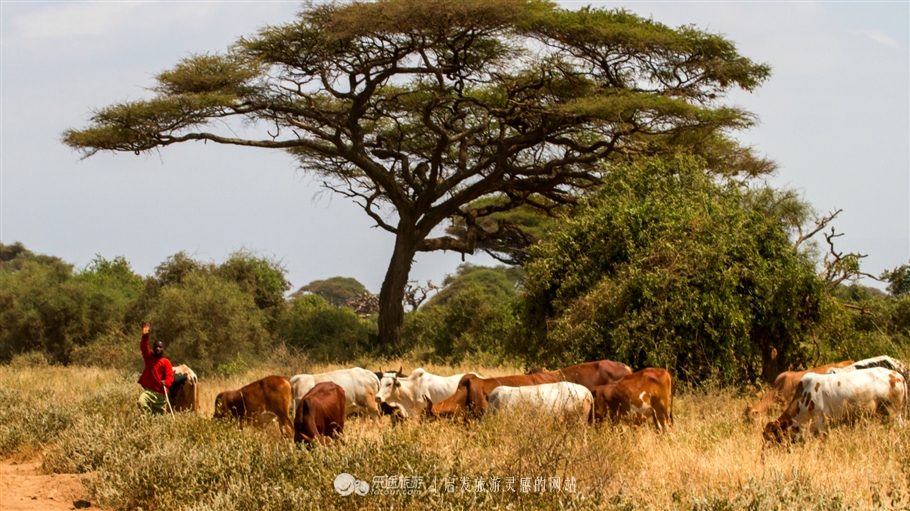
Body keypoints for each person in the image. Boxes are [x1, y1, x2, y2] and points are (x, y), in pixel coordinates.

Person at [137, 323, 174, 415]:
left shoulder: (166, 362)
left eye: (160, 347)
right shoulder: (149, 358)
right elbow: (144, 348)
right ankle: (145, 421)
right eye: (156, 347)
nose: (157, 348)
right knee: (141, 402)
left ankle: (154, 423)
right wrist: (145, 336)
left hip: (160, 394)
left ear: (163, 349)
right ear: (153, 348)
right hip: (149, 391)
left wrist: (166, 382)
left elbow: (170, 376)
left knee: (159, 415)